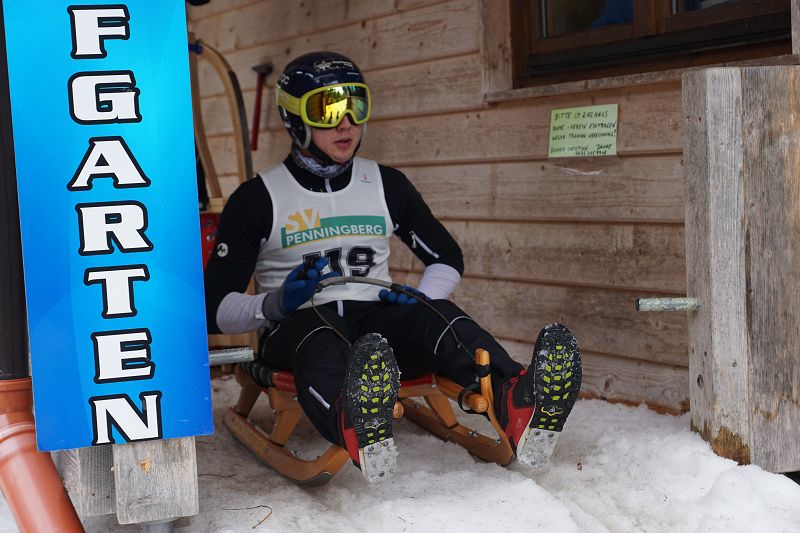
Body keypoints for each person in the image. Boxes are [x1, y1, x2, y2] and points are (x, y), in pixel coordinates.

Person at [204, 51, 583, 483]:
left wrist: (423, 300)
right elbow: (214, 308)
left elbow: (446, 257)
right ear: (294, 118)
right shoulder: (257, 198)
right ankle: (354, 419)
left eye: (356, 106)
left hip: (376, 329)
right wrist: (275, 304)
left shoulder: (386, 184)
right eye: (327, 109)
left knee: (439, 316)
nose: (347, 123)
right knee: (318, 332)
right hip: (296, 325)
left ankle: (517, 401)